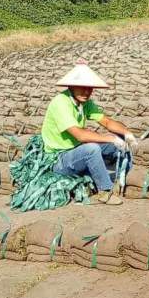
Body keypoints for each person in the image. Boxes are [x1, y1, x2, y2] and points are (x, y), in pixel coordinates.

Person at [41, 58, 138, 206]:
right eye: (82, 87)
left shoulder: (85, 103)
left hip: (75, 151)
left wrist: (127, 133)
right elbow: (80, 135)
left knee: (119, 142)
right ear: (71, 86)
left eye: (90, 88)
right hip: (59, 159)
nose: (87, 92)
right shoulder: (61, 103)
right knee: (91, 149)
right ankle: (105, 191)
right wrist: (110, 138)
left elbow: (106, 121)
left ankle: (120, 177)